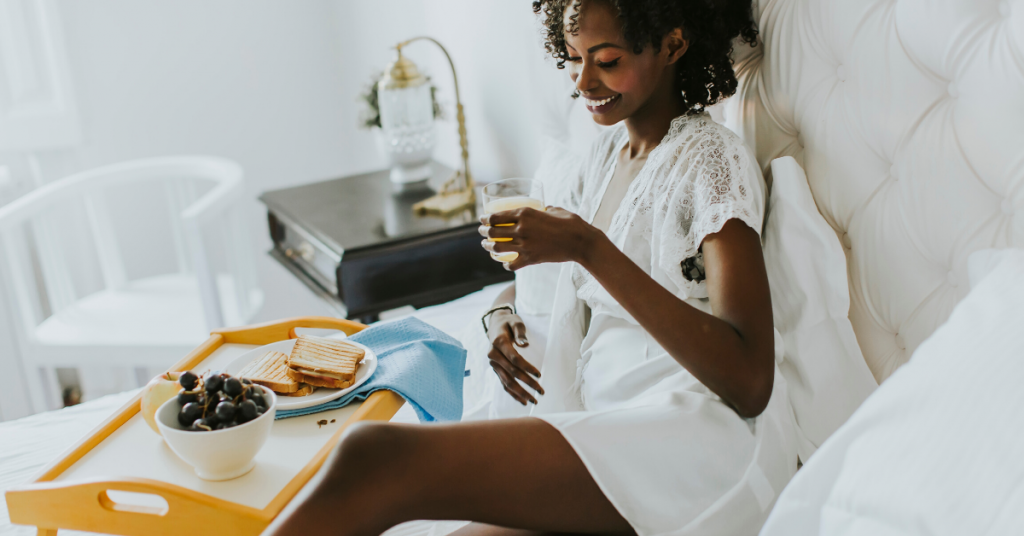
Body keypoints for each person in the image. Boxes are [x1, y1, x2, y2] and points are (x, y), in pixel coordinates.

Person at [264, 1, 798, 535]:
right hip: (606, 420)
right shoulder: (604, 157)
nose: (583, 81)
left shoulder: (712, 162)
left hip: (687, 439)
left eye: (607, 60)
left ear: (674, 46)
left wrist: (590, 248)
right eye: (572, 58)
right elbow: (545, 291)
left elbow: (750, 381)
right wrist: (498, 318)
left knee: (375, 453)